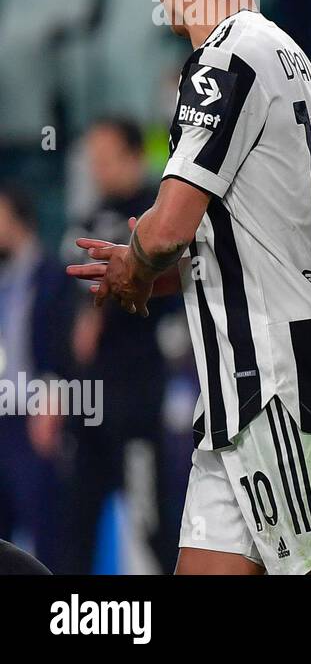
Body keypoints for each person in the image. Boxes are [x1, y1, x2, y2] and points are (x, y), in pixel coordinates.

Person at [68, 0, 311, 575]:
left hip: (277, 384)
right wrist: (154, 272)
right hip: (240, 399)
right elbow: (234, 235)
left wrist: (135, 262)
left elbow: (167, 228)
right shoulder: (289, 55)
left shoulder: (224, 62)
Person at [62, 118, 184, 574]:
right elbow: (64, 311)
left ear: (135, 156)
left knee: (152, 519)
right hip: (86, 400)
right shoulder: (87, 219)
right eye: (92, 160)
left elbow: (170, 307)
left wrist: (109, 302)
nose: (98, 169)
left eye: (107, 158)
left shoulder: (157, 218)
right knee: (75, 521)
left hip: (137, 398)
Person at [0, 184, 75, 572]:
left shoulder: (50, 276)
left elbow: (63, 349)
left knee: (42, 524)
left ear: (18, 219)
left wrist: (53, 396)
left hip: (31, 414)